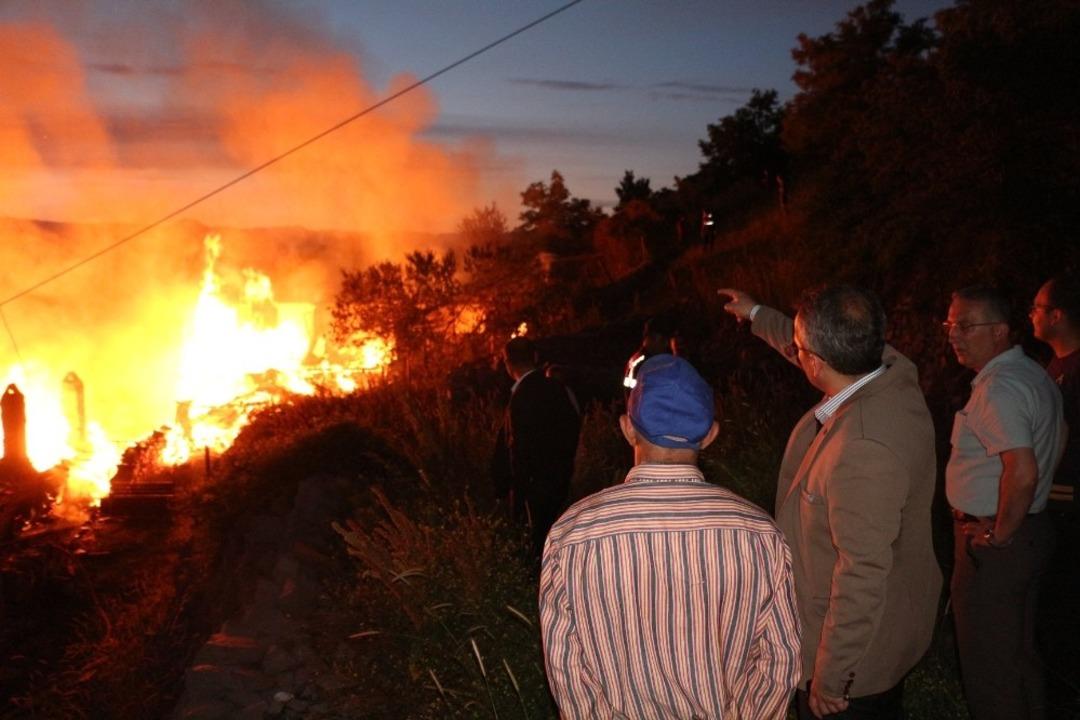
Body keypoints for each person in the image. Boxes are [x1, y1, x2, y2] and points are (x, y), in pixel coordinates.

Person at [720, 285, 941, 720]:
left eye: (799, 351)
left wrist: (833, 676)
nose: (794, 353)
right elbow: (822, 350)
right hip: (889, 627)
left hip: (855, 663)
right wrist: (757, 314)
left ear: (816, 364)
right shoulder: (890, 370)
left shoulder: (862, 448)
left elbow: (862, 576)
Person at [540, 354, 801, 719]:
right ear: (710, 435)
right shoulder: (760, 533)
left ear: (627, 428)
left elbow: (567, 668)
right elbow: (780, 659)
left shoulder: (572, 534)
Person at [945, 285, 1064, 720]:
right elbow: (1061, 434)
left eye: (965, 325)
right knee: (1018, 656)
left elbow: (1023, 470)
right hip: (1031, 531)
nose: (954, 334)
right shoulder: (1034, 373)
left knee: (990, 668)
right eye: (950, 324)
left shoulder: (1000, 389)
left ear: (998, 331)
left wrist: (999, 532)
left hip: (998, 545)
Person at [491, 336, 581, 553]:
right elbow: (573, 426)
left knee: (534, 548)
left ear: (507, 364)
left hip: (533, 490)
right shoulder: (557, 389)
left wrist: (517, 494)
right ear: (535, 357)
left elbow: (518, 449)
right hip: (558, 481)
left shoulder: (521, 397)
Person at [1029, 274, 1080, 511]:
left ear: (1056, 316)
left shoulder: (1075, 369)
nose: (1031, 315)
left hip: (1067, 495)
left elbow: (1062, 431)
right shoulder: (1055, 366)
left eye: (1037, 308)